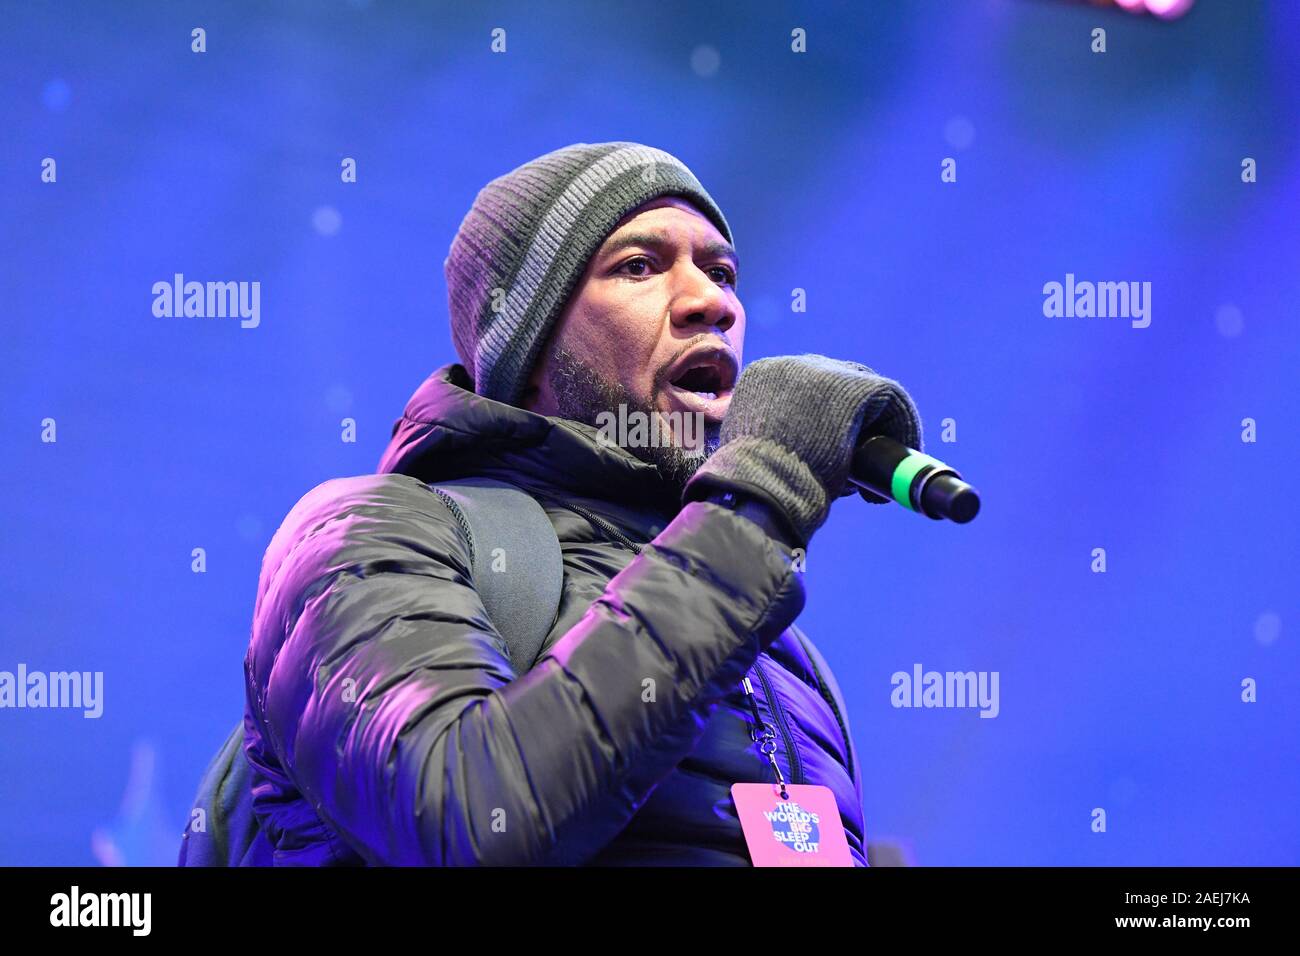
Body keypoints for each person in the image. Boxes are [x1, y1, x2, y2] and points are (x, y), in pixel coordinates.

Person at [242, 141, 922, 866]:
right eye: (639, 266)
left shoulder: (786, 653)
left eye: (721, 272)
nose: (711, 301)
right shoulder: (372, 532)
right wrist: (760, 493)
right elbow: (472, 823)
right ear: (528, 346)